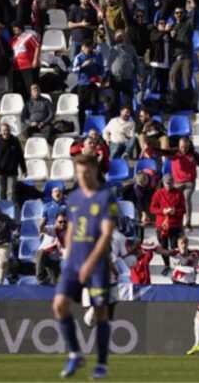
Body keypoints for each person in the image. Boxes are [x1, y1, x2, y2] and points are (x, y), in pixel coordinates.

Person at [53, 154, 119, 379]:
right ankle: (74, 354)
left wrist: (90, 263)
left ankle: (101, 364)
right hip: (74, 261)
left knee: (101, 312)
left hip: (97, 263)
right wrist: (69, 255)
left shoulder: (105, 197)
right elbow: (71, 228)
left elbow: (107, 234)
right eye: (78, 173)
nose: (82, 177)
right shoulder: (74, 198)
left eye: (86, 172)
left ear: (94, 170)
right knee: (59, 306)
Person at [151, 137, 199, 231]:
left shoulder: (193, 154)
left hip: (189, 183)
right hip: (177, 183)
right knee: (176, 202)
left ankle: (188, 223)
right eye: (182, 147)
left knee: (187, 198)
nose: (184, 149)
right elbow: (162, 151)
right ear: (179, 145)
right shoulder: (174, 152)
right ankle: (176, 223)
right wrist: (151, 148)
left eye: (186, 147)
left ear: (189, 146)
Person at [150, 174, 186, 274]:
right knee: (163, 246)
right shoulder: (158, 193)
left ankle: (178, 264)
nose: (169, 185)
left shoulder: (179, 193)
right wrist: (163, 211)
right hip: (162, 224)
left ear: (173, 182)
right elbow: (152, 208)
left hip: (175, 224)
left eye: (170, 183)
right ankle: (166, 265)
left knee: (175, 245)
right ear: (163, 183)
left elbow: (183, 209)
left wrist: (175, 212)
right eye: (167, 183)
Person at [0, 123, 27, 202]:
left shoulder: (15, 141)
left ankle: (9, 210)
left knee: (11, 192)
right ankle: (1, 210)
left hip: (12, 171)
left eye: (8, 130)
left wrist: (23, 169)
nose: (6, 132)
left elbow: (20, 156)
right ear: (1, 131)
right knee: (1, 191)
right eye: (4, 131)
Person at [72, 39, 105, 129]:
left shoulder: (96, 56)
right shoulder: (78, 57)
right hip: (83, 85)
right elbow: (73, 70)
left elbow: (101, 68)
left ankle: (95, 128)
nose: (87, 49)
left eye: (89, 47)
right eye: (85, 47)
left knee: (95, 104)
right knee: (81, 107)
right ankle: (82, 129)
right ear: (82, 47)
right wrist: (83, 66)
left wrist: (100, 76)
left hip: (93, 84)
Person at [9, 21, 41, 98]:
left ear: (20, 27)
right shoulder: (12, 40)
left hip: (29, 66)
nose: (14, 30)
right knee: (19, 88)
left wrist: (35, 59)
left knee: (31, 87)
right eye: (13, 28)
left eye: (15, 27)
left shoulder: (29, 36)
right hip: (17, 68)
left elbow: (37, 47)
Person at [37, 212, 67, 285]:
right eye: (60, 222)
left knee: (57, 282)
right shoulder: (51, 228)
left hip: (54, 260)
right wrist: (41, 224)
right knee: (41, 252)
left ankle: (50, 278)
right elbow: (43, 229)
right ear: (56, 222)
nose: (62, 224)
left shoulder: (67, 233)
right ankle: (40, 278)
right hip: (44, 257)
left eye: (65, 222)